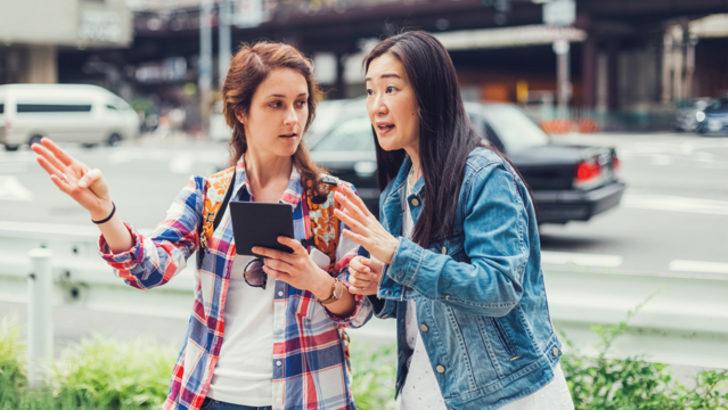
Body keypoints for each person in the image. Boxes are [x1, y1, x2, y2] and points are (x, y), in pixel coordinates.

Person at [32, 41, 371, 410]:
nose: (292, 118)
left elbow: (364, 307)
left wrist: (317, 282)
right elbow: (150, 268)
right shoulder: (208, 194)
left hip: (311, 396)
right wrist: (104, 213)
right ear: (241, 111)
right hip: (213, 395)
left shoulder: (332, 200)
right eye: (276, 104)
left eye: (300, 103)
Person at [336, 31, 573, 409]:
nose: (376, 106)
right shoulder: (398, 191)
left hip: (505, 394)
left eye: (391, 89)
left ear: (429, 95)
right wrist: (380, 282)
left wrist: (398, 256)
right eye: (369, 91)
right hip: (426, 384)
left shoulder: (484, 176)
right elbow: (418, 299)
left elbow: (498, 288)